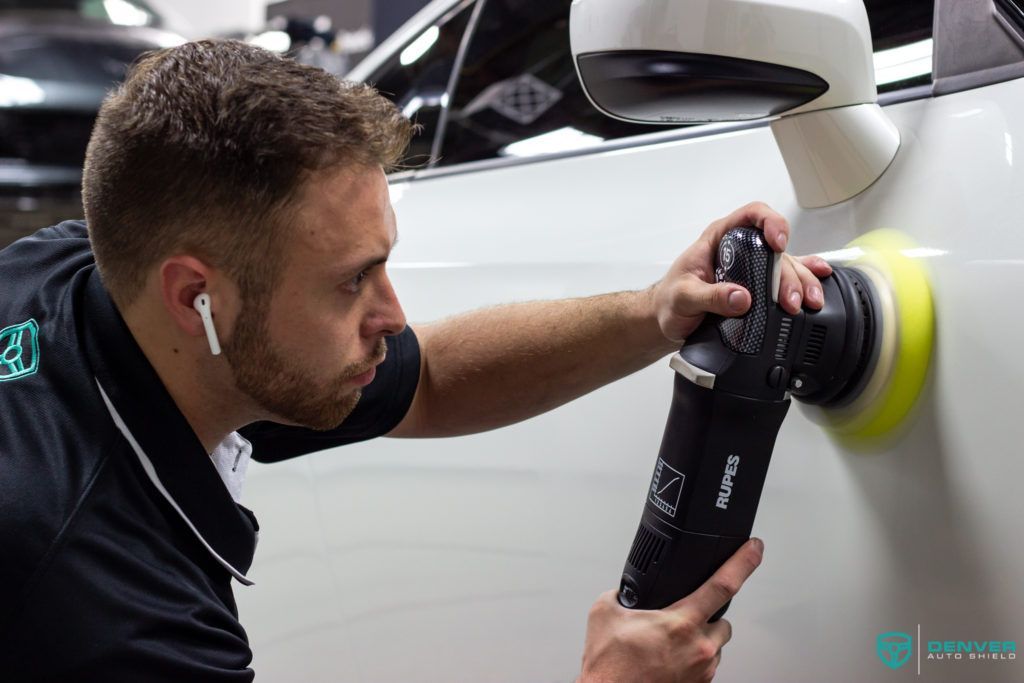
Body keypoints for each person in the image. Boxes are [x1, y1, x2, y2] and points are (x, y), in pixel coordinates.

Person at [0, 40, 831, 682]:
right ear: (196, 297)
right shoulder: (107, 609)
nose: (393, 315)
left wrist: (655, 311)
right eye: (351, 281)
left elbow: (425, 379)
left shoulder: (93, 275)